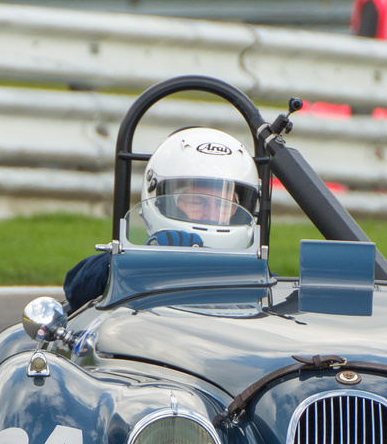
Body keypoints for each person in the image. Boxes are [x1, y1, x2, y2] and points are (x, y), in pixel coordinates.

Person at [62, 127, 261, 312]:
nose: (210, 214)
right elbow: (78, 287)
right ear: (160, 201)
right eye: (196, 202)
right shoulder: (129, 265)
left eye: (224, 205)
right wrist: (148, 260)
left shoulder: (257, 279)